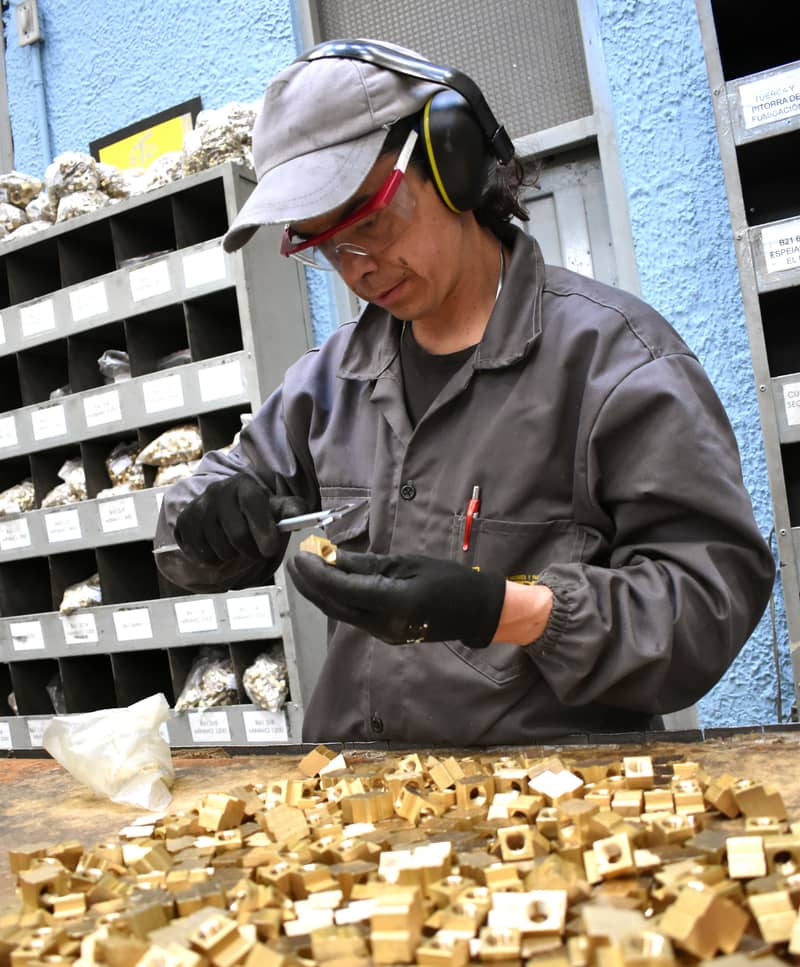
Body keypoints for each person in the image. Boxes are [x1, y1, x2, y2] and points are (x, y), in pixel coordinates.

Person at [155, 39, 775, 745]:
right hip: (357, 817)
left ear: (452, 164)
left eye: (369, 219)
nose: (355, 267)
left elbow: (708, 601)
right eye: (322, 243)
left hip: (550, 821)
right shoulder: (325, 385)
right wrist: (208, 523)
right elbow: (176, 539)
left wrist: (505, 610)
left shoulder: (616, 364)